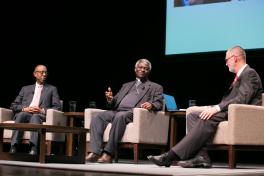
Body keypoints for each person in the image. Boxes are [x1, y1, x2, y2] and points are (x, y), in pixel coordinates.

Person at [148, 46, 263, 168]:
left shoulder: (250, 74)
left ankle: (170, 156)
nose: (226, 63)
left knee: (207, 117)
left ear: (235, 58)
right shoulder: (241, 76)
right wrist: (212, 107)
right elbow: (230, 100)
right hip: (230, 112)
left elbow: (242, 99)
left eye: (227, 59)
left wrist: (217, 108)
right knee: (192, 115)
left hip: (243, 115)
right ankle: (202, 157)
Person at [86, 58, 163, 163]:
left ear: (149, 71)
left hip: (133, 112)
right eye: (140, 67)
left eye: (146, 68)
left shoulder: (155, 87)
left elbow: (159, 103)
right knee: (97, 117)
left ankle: (108, 154)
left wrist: (151, 105)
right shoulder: (126, 85)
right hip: (117, 111)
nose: (143, 70)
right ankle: (95, 152)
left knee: (120, 116)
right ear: (135, 69)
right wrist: (110, 99)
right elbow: (114, 103)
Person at [9, 64, 61, 155]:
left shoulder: (52, 89)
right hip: (26, 113)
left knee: (35, 117)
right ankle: (14, 146)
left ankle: (34, 147)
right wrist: (25, 109)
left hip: (40, 115)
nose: (44, 74)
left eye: (46, 72)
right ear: (35, 74)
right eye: (42, 72)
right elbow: (13, 105)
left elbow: (57, 107)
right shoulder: (25, 89)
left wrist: (41, 110)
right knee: (21, 114)